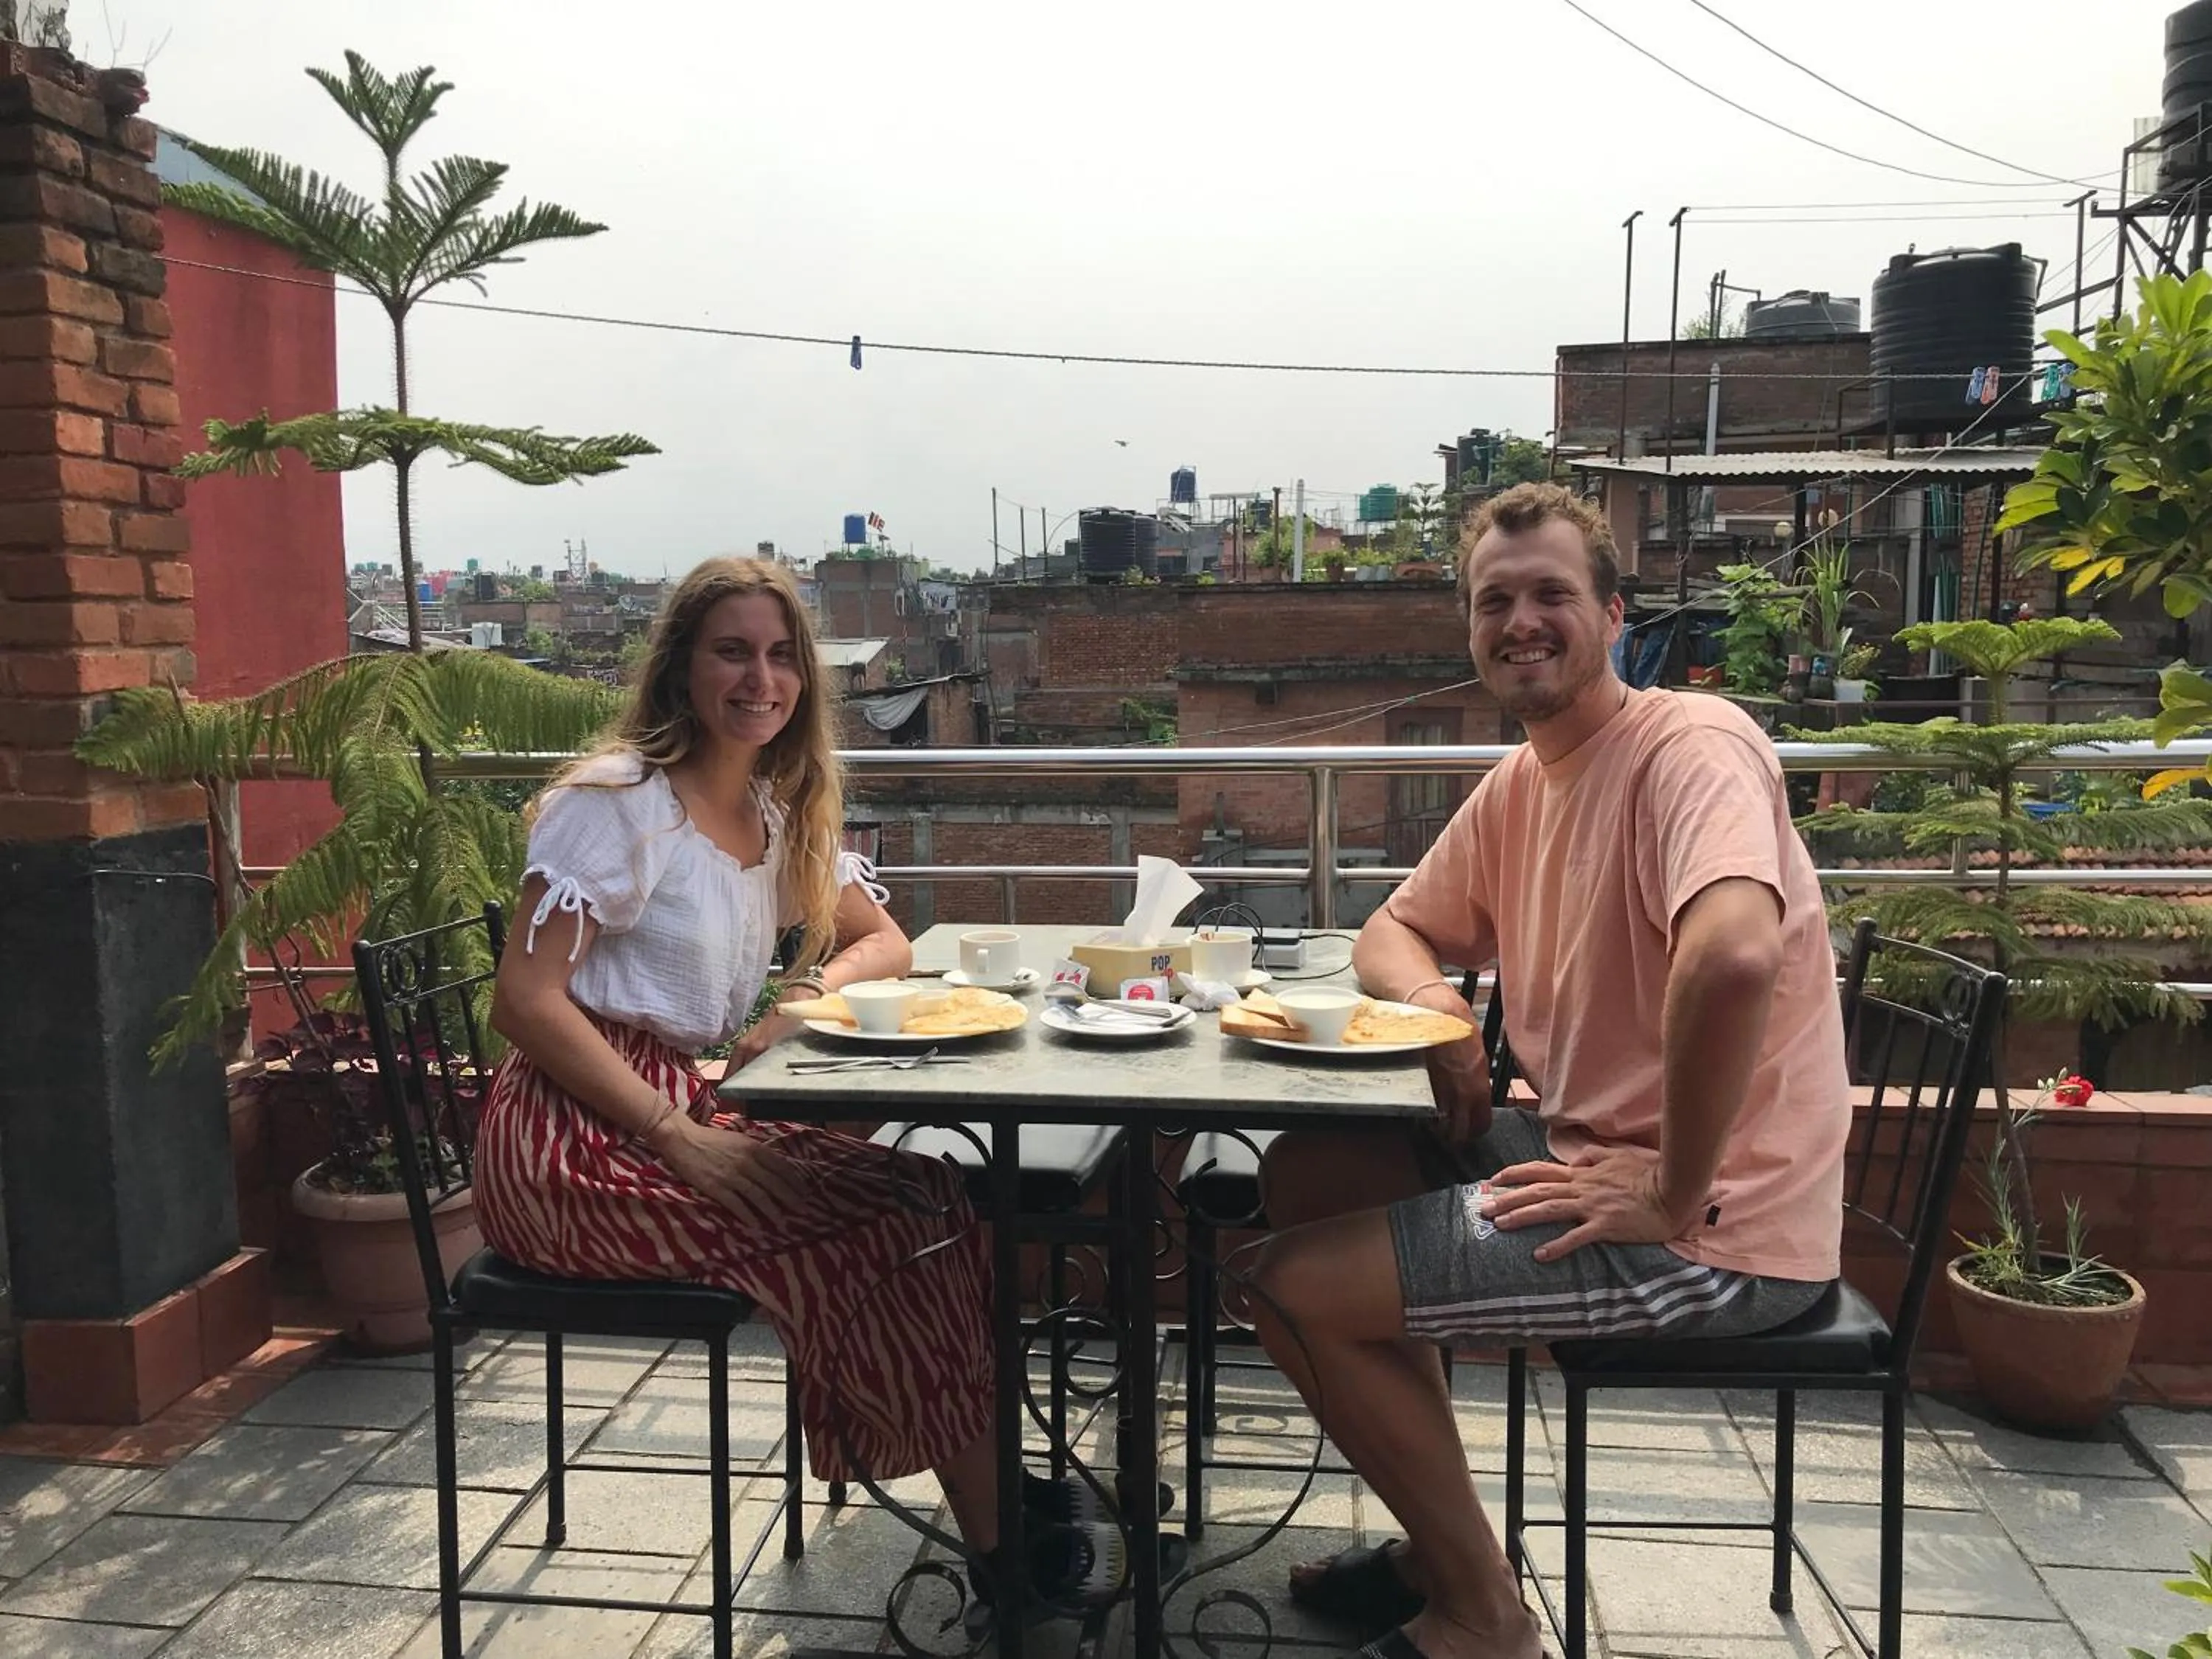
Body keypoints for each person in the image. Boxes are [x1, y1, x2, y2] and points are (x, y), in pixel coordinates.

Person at [1245, 484, 1851, 1659]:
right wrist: (1440, 1015)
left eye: (1551, 594)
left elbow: (1730, 955)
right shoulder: (1529, 777)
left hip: (1712, 1233)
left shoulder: (1692, 745)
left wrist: (1672, 1186)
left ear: (1614, 614)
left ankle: (1481, 1617)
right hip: (1583, 1160)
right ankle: (1440, 1547)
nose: (1521, 620)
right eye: (1495, 601)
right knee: (1316, 1167)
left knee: (1283, 1284)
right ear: (1472, 630)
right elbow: (1391, 931)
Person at [479, 557, 1120, 1613]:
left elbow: (887, 940)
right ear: (681, 666)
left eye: (781, 656)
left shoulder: (768, 817)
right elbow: (526, 1001)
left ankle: (992, 1488)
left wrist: (802, 989)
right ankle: (1007, 1559)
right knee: (882, 1228)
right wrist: (679, 1135)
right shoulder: (620, 807)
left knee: (935, 1198)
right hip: (571, 1140)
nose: (760, 678)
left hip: (669, 1104)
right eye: (732, 650)